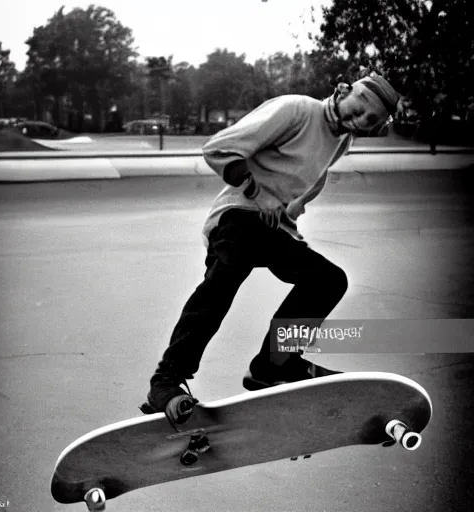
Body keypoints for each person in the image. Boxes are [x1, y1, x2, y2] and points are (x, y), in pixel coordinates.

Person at [141, 72, 401, 420]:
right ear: (342, 90)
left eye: (369, 122)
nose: (358, 122)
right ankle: (166, 379)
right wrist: (255, 192)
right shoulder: (297, 110)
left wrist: (287, 220)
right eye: (358, 109)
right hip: (236, 217)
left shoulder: (342, 141)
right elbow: (218, 147)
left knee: (328, 279)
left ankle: (275, 364)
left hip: (270, 228)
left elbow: (304, 185)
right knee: (226, 276)